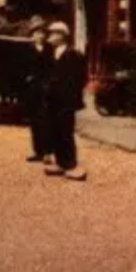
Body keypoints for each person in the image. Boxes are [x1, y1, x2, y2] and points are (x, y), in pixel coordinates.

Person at [42, 21, 89, 182]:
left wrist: (72, 96)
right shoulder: (52, 54)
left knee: (65, 132)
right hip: (53, 100)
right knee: (55, 130)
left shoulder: (73, 55)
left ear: (62, 36)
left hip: (66, 101)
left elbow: (79, 79)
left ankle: (71, 165)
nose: (50, 37)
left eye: (54, 33)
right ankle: (61, 162)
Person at [24, 17, 53, 164]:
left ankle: (48, 151)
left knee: (46, 119)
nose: (39, 35)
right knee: (35, 120)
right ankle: (38, 151)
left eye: (42, 32)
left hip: (47, 86)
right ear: (32, 35)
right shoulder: (27, 50)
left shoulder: (49, 49)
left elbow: (52, 67)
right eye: (36, 33)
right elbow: (22, 67)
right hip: (33, 88)